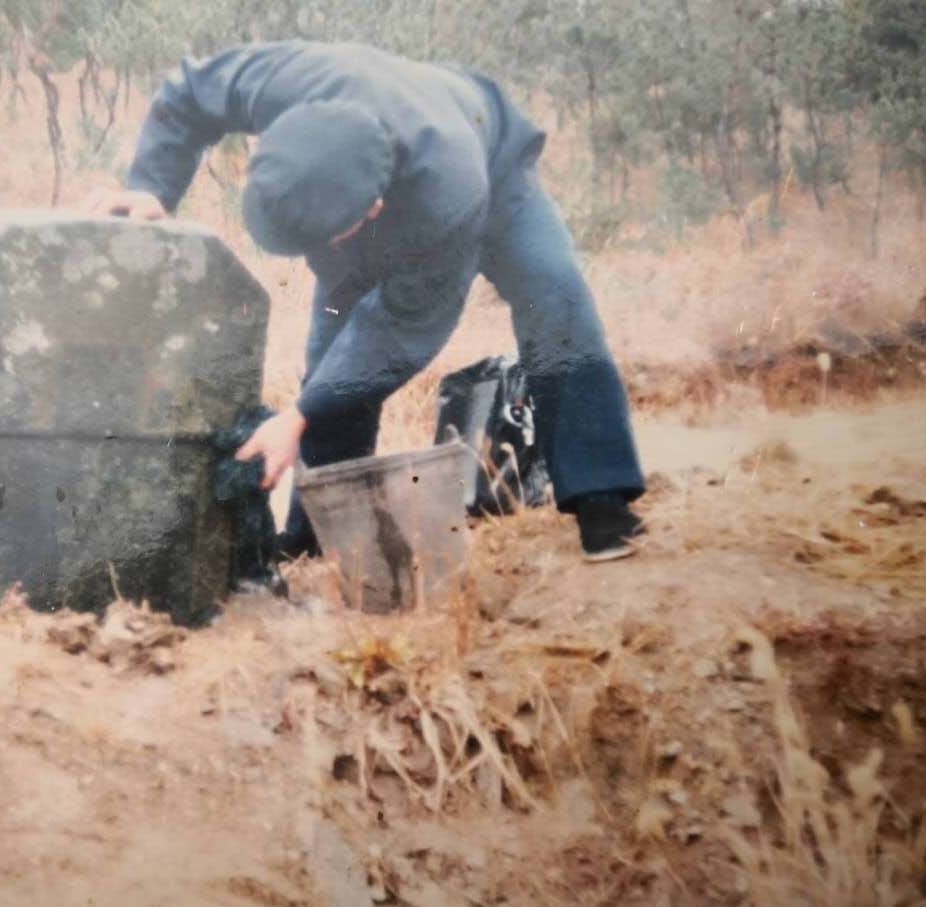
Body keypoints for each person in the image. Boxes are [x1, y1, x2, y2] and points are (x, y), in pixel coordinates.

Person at [87, 41, 647, 562]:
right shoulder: (285, 83)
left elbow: (400, 328)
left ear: (372, 210)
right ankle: (315, 534)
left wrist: (300, 414)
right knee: (331, 352)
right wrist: (150, 186)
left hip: (492, 170)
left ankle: (601, 496)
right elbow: (187, 92)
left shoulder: (447, 193)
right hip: (366, 180)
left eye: (328, 239)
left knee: (554, 294)